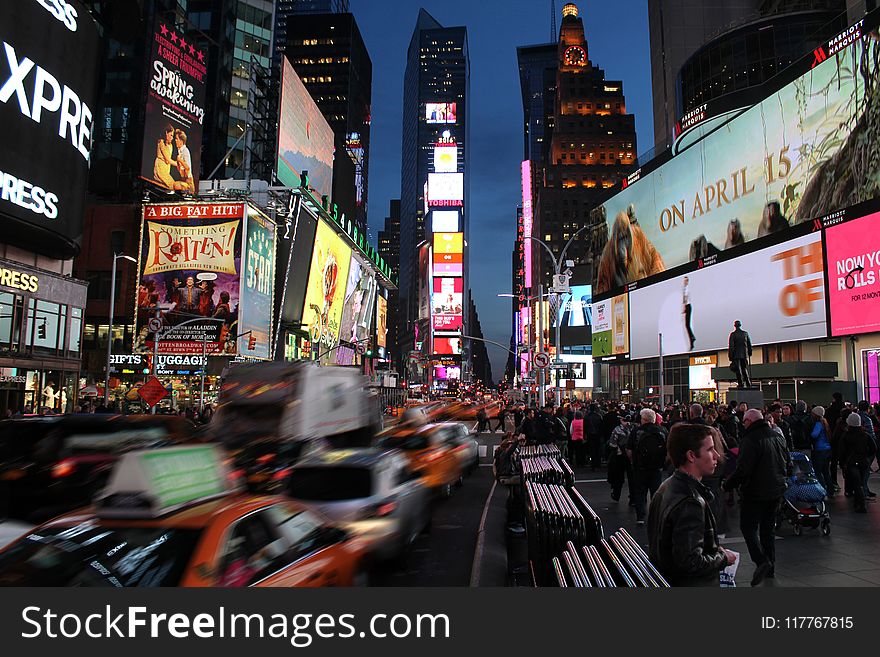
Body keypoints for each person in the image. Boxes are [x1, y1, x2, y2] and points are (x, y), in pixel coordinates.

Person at [647, 423, 737, 586]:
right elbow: (690, 562)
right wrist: (723, 558)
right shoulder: (690, 502)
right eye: (710, 449)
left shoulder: (666, 487)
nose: (716, 455)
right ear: (691, 456)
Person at [723, 409, 791, 586]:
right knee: (768, 529)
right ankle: (771, 565)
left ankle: (761, 561)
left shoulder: (750, 439)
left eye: (744, 422)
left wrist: (728, 485)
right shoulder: (778, 437)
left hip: (755, 491)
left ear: (750, 421)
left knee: (748, 527)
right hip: (776, 489)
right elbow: (787, 462)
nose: (743, 425)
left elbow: (743, 469)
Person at [626, 408, 669, 524]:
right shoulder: (662, 431)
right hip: (656, 467)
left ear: (643, 419)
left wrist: (633, 461)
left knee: (640, 491)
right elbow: (667, 449)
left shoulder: (637, 431)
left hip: (640, 467)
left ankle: (640, 516)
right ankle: (656, 515)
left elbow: (629, 449)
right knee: (656, 491)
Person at [839, 413, 876, 513]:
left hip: (851, 462)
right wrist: (867, 456)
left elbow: (842, 451)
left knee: (856, 484)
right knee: (861, 482)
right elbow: (874, 448)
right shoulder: (865, 435)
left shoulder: (846, 435)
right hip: (863, 462)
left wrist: (842, 463)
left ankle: (861, 504)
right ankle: (859, 502)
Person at [607, 413, 633, 502]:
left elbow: (612, 443)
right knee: (632, 477)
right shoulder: (633, 429)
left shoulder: (617, 430)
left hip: (619, 455)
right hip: (631, 456)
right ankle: (633, 497)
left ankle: (616, 494)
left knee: (618, 477)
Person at [808, 405, 833, 494]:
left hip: (819, 450)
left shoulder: (818, 424)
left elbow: (814, 435)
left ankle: (822, 490)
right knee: (826, 472)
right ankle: (831, 490)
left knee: (818, 471)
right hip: (827, 449)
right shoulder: (825, 422)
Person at [728, 320, 752, 388]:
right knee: (744, 369)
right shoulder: (745, 333)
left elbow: (731, 346)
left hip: (736, 355)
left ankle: (741, 384)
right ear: (740, 325)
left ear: (735, 326)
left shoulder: (733, 334)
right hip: (744, 354)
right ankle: (748, 383)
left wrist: (730, 356)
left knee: (738, 370)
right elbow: (749, 344)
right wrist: (749, 352)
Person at [153, 124, 177, 189]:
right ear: (166, 133)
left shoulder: (171, 145)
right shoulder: (161, 142)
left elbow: (168, 160)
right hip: (160, 167)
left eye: (173, 136)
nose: (172, 138)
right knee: (173, 185)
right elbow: (167, 159)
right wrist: (179, 164)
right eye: (171, 135)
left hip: (166, 169)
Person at [682, 276, 695, 351]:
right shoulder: (685, 288)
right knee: (687, 325)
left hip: (688, 306)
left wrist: (684, 308)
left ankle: (692, 339)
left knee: (687, 324)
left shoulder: (686, 289)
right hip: (687, 307)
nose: (684, 282)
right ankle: (692, 338)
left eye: (685, 281)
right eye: (684, 281)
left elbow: (686, 299)